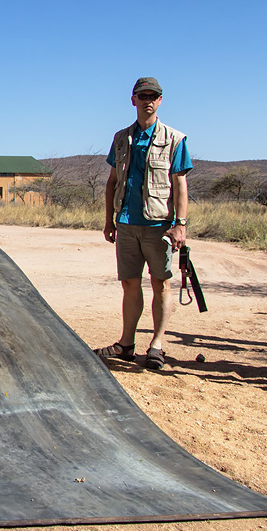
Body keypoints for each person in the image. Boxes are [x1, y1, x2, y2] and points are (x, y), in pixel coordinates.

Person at [97, 77, 192, 370]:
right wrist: (108, 220)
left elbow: (180, 184)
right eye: (143, 95)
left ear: (160, 101)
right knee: (129, 283)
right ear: (133, 100)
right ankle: (126, 344)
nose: (148, 100)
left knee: (160, 283)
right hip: (126, 222)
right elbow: (112, 182)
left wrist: (180, 224)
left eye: (153, 96)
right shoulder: (121, 138)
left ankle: (157, 345)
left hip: (158, 224)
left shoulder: (175, 139)